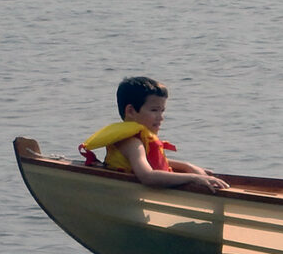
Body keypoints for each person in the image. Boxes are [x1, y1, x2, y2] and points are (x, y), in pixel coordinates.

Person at [81, 76, 230, 193]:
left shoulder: (137, 142)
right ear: (131, 111)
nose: (160, 117)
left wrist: (187, 167)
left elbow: (146, 160)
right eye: (154, 110)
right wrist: (194, 178)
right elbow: (147, 176)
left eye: (162, 111)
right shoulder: (132, 143)